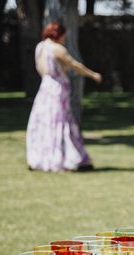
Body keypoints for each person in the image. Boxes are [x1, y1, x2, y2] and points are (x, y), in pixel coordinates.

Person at [26, 21, 102, 172]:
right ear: (58, 34)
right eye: (63, 36)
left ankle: (41, 158)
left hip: (45, 87)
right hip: (58, 89)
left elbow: (39, 68)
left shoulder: (40, 47)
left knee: (44, 122)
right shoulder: (56, 49)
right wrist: (93, 75)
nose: (64, 39)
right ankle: (67, 159)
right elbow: (75, 65)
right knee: (62, 123)